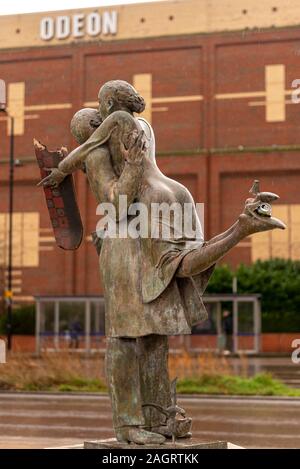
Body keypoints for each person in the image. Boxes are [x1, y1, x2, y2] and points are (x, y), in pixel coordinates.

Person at [39, 80, 285, 445]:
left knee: (148, 331)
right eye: (93, 124)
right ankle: (131, 424)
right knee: (133, 332)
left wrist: (123, 166)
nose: (98, 125)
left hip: (147, 218)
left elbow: (121, 199)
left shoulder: (119, 137)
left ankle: (151, 419)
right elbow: (116, 203)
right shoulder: (106, 148)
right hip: (142, 225)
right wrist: (131, 165)